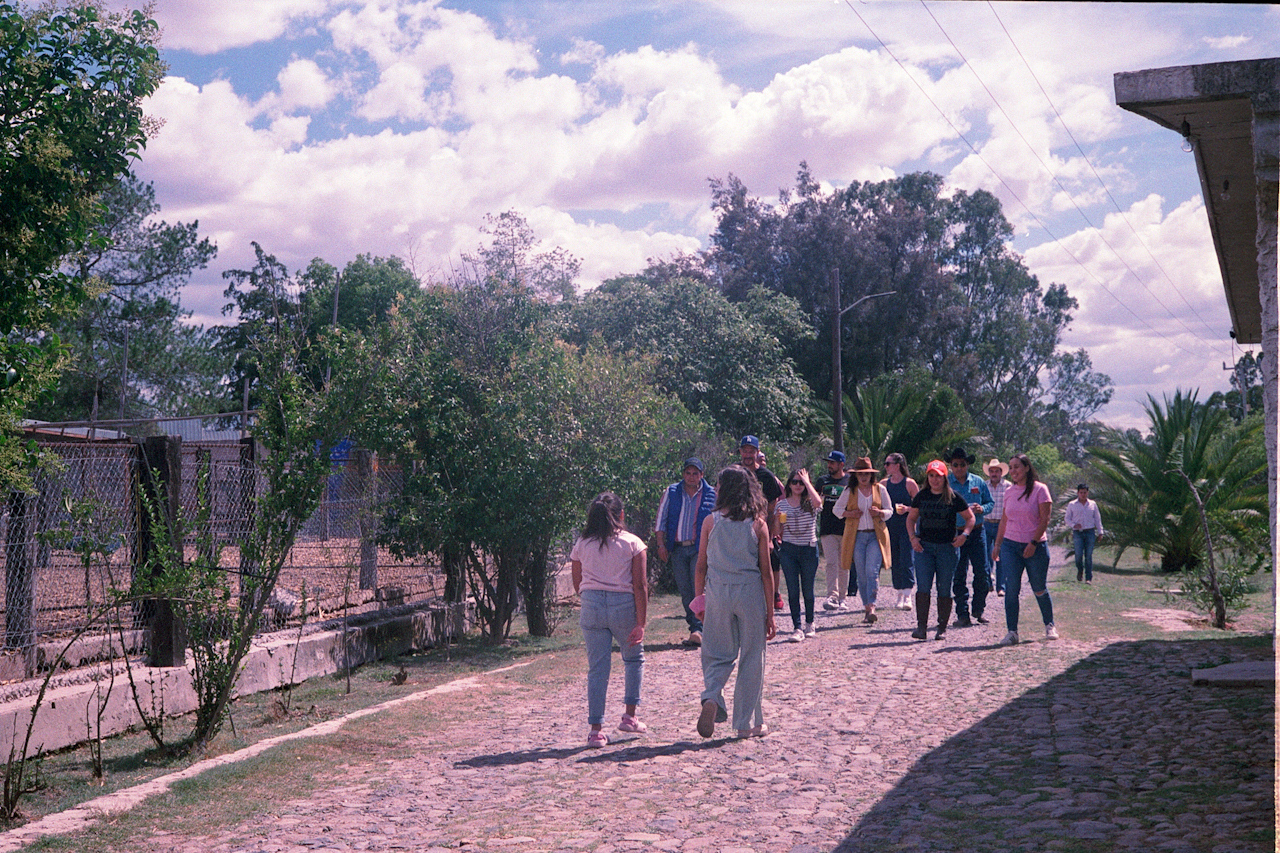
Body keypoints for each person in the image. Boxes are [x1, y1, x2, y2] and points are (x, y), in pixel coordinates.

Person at [692, 465, 776, 739]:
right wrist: (771, 613)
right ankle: (745, 723)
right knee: (752, 656)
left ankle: (712, 696)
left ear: (723, 490)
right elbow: (766, 572)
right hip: (749, 592)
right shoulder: (758, 524)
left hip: (718, 592)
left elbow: (701, 566)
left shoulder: (711, 522)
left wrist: (700, 600)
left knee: (716, 652)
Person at [570, 492, 648, 747]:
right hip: (623, 605)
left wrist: (591, 596)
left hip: (591, 604)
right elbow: (640, 585)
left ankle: (596, 730)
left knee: (598, 669)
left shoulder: (582, 543)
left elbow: (577, 581)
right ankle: (630, 716)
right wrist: (641, 622)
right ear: (621, 515)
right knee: (633, 658)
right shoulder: (633, 543)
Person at [991, 453, 1058, 645]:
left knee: (1039, 588)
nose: (1013, 471)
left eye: (1017, 467)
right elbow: (1004, 520)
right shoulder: (1009, 492)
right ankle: (1012, 632)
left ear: (1027, 468)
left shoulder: (1040, 490)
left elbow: (1045, 519)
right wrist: (998, 544)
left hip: (1035, 547)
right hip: (1010, 546)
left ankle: (1049, 624)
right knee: (1011, 589)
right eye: (1011, 467)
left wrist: (1034, 543)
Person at [907, 460, 975, 641]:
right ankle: (921, 628)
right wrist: (913, 538)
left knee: (944, 587)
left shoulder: (954, 497)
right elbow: (911, 518)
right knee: (923, 587)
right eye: (931, 476)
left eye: (938, 476)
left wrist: (964, 535)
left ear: (945, 478)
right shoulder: (921, 496)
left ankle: (942, 628)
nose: (934, 480)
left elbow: (970, 518)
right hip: (925, 548)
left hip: (947, 549)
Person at [655, 457, 717, 647]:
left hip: (700, 549)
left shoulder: (711, 494)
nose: (691, 477)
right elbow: (661, 519)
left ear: (702, 475)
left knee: (700, 588)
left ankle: (700, 629)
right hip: (678, 548)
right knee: (685, 591)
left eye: (695, 473)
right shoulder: (672, 491)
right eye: (688, 473)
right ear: (683, 474)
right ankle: (695, 627)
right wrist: (661, 545)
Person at [833, 456, 892, 624]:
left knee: (872, 571)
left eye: (866, 473)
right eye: (860, 474)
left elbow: (890, 511)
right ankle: (866, 607)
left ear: (871, 474)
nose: (863, 477)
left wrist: (880, 513)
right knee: (861, 574)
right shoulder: (849, 491)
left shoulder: (880, 489)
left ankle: (872, 605)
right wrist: (850, 514)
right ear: (855, 476)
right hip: (856, 536)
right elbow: (837, 510)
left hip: (875, 535)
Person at [946, 447, 993, 627]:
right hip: (956, 533)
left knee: (982, 573)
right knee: (959, 574)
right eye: (955, 465)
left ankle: (978, 609)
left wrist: (983, 509)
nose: (959, 468)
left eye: (962, 464)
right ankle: (962, 613)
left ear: (967, 465)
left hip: (977, 532)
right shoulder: (945, 483)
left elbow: (990, 502)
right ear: (951, 466)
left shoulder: (978, 481)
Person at [738, 436, 784, 612]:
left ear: (757, 453)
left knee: (765, 570)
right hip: (736, 530)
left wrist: (770, 538)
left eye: (752, 451)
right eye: (745, 451)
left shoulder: (767, 476)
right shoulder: (733, 473)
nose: (748, 455)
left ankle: (767, 608)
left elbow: (772, 510)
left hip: (759, 531)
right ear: (740, 452)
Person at [777, 467, 822, 641]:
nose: (798, 485)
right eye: (795, 482)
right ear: (789, 484)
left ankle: (810, 622)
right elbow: (776, 531)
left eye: (800, 482)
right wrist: (778, 520)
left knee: (808, 589)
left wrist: (808, 483)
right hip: (789, 549)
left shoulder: (809, 502)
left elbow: (818, 503)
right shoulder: (782, 504)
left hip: (808, 549)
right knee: (793, 590)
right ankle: (797, 627)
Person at [881, 452, 919, 610]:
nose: (885, 466)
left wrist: (908, 509)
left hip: (906, 527)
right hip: (890, 527)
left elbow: (920, 506)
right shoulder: (884, 484)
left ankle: (908, 595)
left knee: (907, 559)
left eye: (888, 463)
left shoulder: (909, 484)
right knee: (895, 561)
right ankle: (899, 593)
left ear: (897, 465)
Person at [817, 451, 852, 611]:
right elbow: (815, 500)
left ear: (841, 464)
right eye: (828, 462)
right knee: (831, 563)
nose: (829, 465)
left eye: (832, 462)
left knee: (843, 564)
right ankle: (832, 596)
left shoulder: (849, 481)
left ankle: (843, 598)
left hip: (846, 528)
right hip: (827, 528)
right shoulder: (822, 481)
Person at [1064, 483, 1104, 583]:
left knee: (1088, 556)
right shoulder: (1072, 504)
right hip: (1078, 533)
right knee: (1078, 555)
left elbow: (1097, 519)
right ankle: (1080, 570)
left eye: (1085, 492)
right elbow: (1067, 518)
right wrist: (1074, 525)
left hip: (1090, 532)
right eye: (1081, 492)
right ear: (1078, 493)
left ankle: (1088, 578)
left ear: (1087, 493)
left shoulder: (1092, 504)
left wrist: (1100, 532)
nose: (1083, 494)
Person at [983, 458, 1011, 597]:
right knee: (986, 554)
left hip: (1002, 524)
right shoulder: (984, 485)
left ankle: (1001, 587)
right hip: (986, 523)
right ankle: (988, 582)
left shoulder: (1008, 486)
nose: (994, 474)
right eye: (992, 471)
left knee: (1002, 556)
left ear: (1001, 472)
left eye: (996, 471)